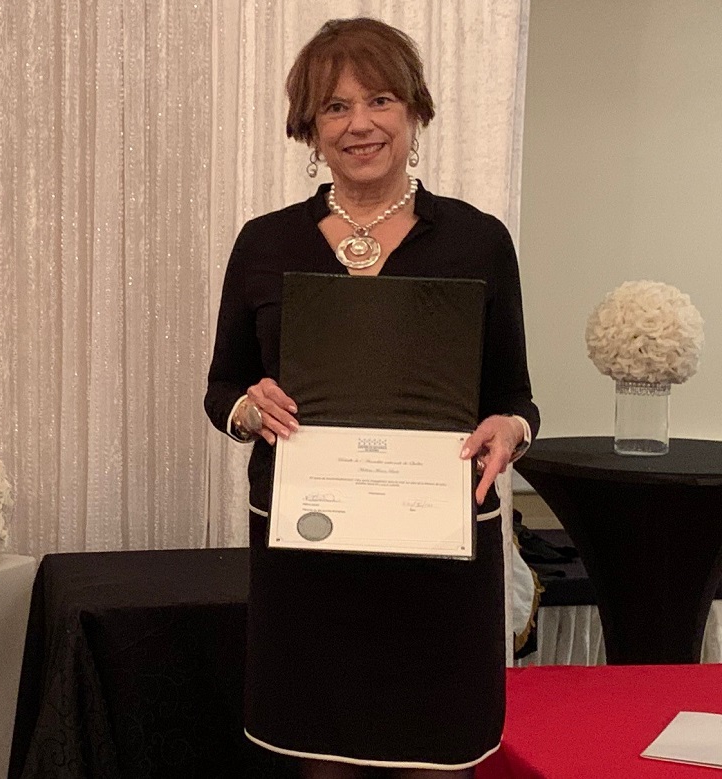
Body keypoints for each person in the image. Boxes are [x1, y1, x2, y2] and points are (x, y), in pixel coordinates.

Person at [204, 18, 539, 779]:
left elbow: (516, 397)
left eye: (379, 100)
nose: (359, 124)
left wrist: (510, 428)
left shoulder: (478, 240)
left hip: (439, 561)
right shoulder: (265, 242)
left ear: (414, 111)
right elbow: (222, 387)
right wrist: (249, 409)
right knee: (322, 761)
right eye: (335, 106)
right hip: (311, 561)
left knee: (436, 761)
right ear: (310, 129)